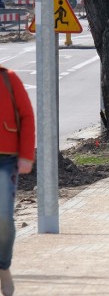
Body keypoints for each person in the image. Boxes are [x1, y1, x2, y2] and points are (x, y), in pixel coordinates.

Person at [0, 65, 35, 296]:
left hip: (6, 159)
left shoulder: (8, 79)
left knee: (3, 218)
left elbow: (26, 116)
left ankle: (3, 267)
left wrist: (25, 155)